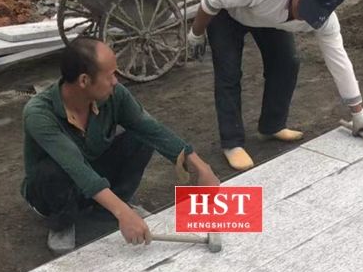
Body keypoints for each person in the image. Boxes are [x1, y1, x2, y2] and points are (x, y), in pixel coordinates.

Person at [22, 37, 219, 254]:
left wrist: (201, 167)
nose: (115, 81)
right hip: (53, 186)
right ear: (84, 80)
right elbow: (77, 168)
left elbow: (151, 129)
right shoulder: (39, 114)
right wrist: (123, 213)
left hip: (91, 171)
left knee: (139, 138)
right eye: (109, 76)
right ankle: (62, 222)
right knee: (53, 171)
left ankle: (107, 208)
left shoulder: (114, 95)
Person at [187, 0, 363, 171]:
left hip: (267, 16)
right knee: (229, 73)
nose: (303, 16)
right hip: (228, 11)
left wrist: (358, 112)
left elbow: (339, 61)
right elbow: (210, 1)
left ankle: (272, 126)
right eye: (306, 6)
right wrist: (196, 34)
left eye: (314, 14)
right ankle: (232, 143)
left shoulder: (325, 21)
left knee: (287, 63)